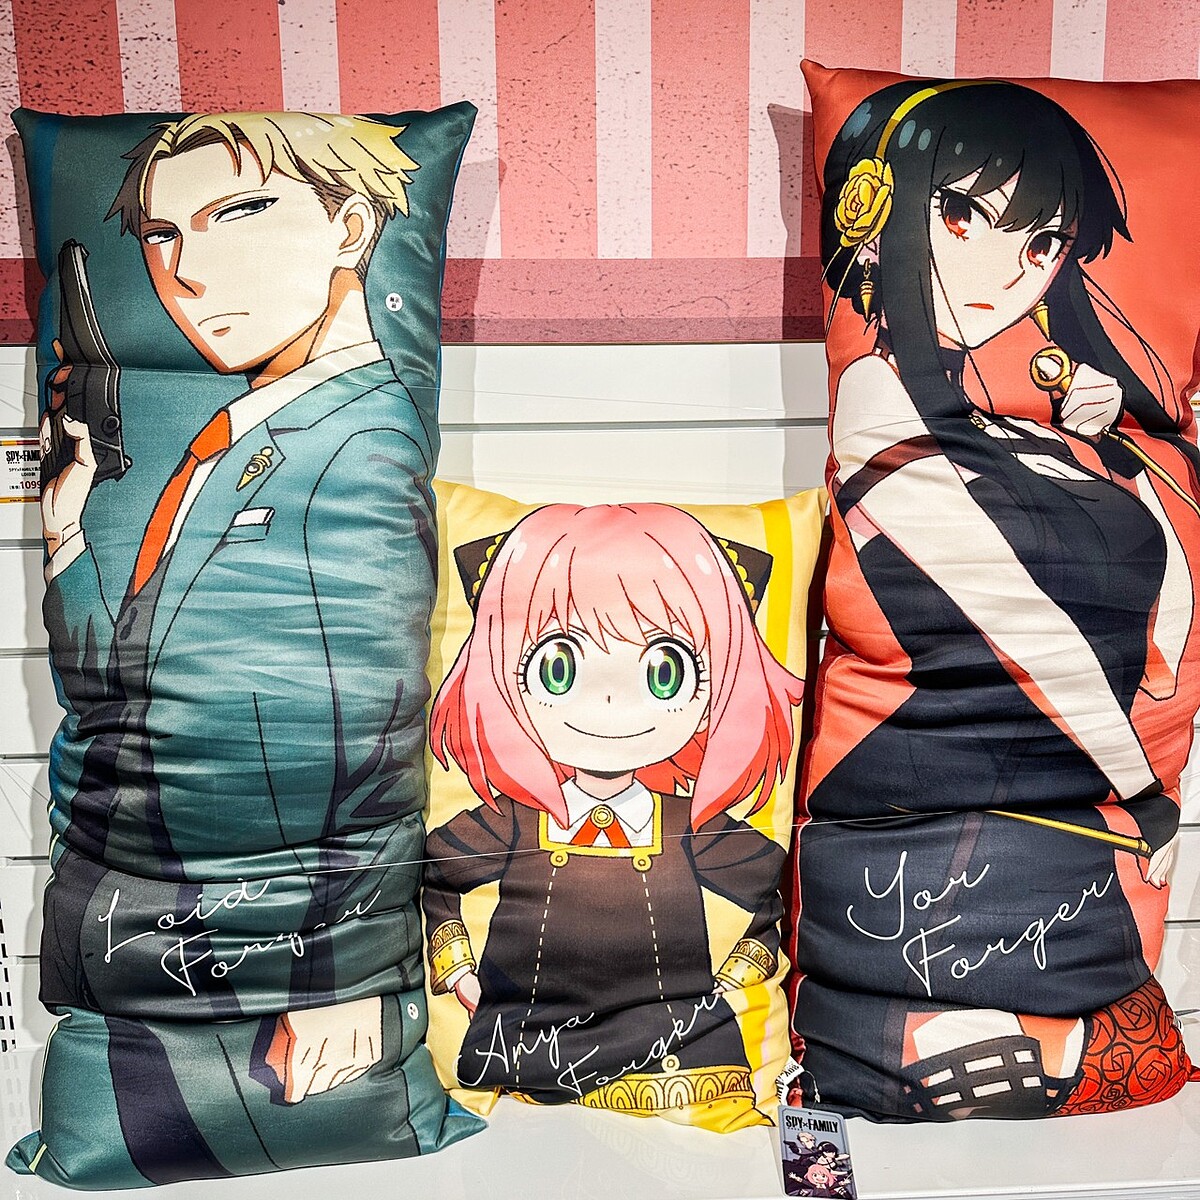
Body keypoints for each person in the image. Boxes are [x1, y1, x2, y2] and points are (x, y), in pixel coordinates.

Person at [37, 112, 437, 1178]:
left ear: (351, 226)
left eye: (240, 215)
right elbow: (125, 684)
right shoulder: (234, 441)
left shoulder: (357, 438)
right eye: (163, 236)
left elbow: (366, 736)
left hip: (270, 962)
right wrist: (70, 532)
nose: (187, 273)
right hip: (154, 934)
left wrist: (344, 985)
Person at [791, 79, 1199, 1119]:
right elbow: (1027, 628)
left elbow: (1169, 606)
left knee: (1068, 1035)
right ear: (886, 214)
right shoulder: (879, 398)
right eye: (963, 214)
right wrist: (1140, 792)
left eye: (1043, 242)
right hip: (936, 816)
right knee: (978, 1031)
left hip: (1069, 818)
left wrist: (1118, 450)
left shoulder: (1025, 426)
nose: (1006, 268)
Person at [423, 502, 804, 1118]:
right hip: (519, 1050)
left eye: (664, 671)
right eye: (557, 668)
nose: (607, 702)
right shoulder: (513, 819)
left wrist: (734, 980)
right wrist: (460, 974)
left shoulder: (688, 826)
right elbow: (435, 872)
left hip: (679, 1063)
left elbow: (773, 884)